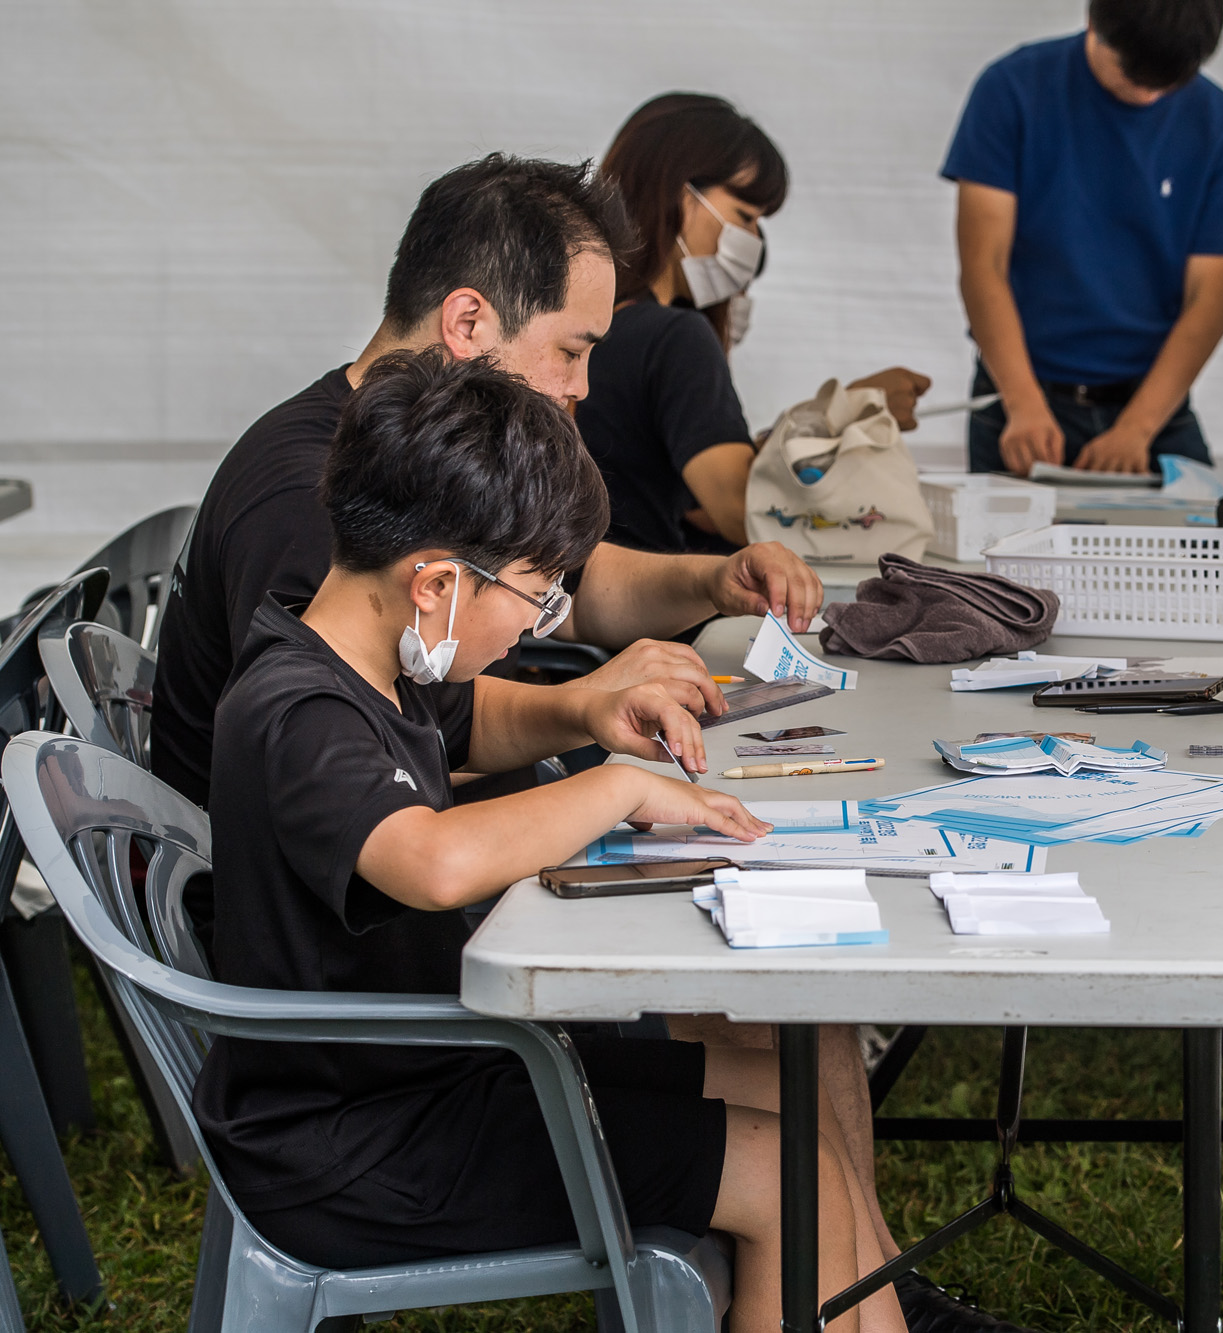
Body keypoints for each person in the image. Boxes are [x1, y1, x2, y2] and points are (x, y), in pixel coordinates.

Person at [192, 347, 909, 1333]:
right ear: (438, 585)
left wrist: (586, 715)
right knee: (787, 1177)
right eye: (532, 593)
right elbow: (433, 859)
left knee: (787, 1095)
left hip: (430, 1075)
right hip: (354, 1145)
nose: (535, 622)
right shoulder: (295, 713)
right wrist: (618, 789)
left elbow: (472, 722)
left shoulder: (360, 665)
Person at [153, 153, 823, 812]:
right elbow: (389, 752)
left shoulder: (423, 446)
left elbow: (576, 597)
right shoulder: (307, 498)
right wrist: (589, 702)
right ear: (468, 322)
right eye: (570, 350)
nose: (581, 386)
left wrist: (711, 582)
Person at [581, 94, 933, 554]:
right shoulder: (674, 337)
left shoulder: (595, 325)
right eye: (745, 217)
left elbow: (696, 503)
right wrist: (841, 416)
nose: (753, 243)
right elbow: (740, 511)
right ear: (680, 194)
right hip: (657, 606)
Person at [943, 0, 1223, 476]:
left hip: (1152, 404)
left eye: (1168, 81)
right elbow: (984, 266)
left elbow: (1209, 302)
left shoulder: (1221, 127)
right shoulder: (1012, 90)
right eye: (1131, 74)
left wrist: (1138, 429)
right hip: (1021, 390)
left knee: (1216, 539)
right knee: (996, 549)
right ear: (1093, 20)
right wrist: (1022, 404)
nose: (1148, 95)